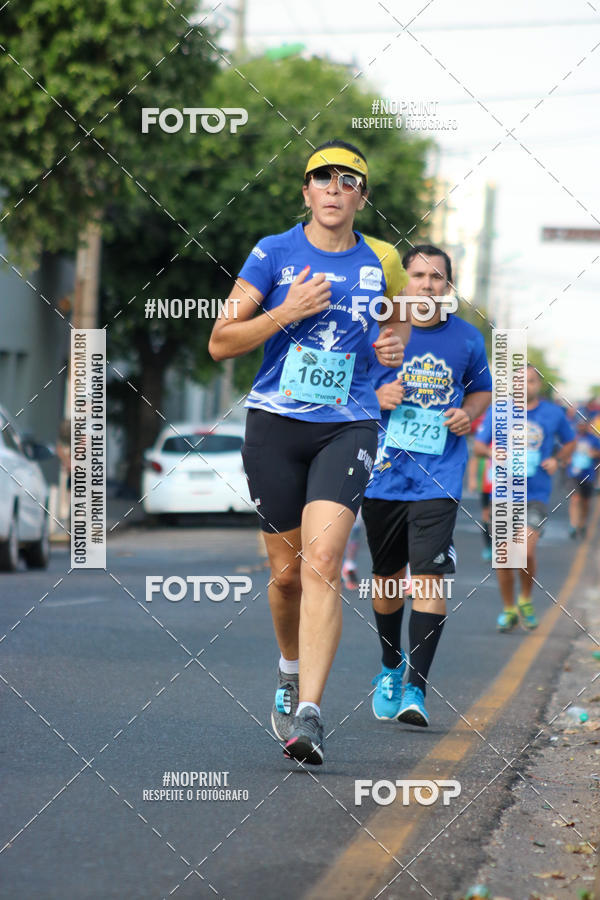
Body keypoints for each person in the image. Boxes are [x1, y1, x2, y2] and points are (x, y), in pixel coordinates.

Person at [208, 140, 410, 765]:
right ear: (306, 192)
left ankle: (311, 715)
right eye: (322, 178)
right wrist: (285, 311)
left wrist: (391, 349)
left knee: (324, 561)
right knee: (288, 574)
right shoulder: (272, 253)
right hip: (275, 424)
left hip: (347, 425)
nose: (334, 188)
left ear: (360, 197)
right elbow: (221, 341)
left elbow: (398, 321)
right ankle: (288, 666)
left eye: (348, 180)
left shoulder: (383, 260)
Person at [362, 245, 492, 727]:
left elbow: (481, 388)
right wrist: (377, 395)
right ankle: (390, 664)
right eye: (418, 275)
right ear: (405, 284)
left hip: (440, 476)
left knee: (430, 576)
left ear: (448, 289)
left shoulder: (467, 339)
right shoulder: (380, 332)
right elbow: (345, 389)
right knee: (388, 577)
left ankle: (417, 687)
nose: (427, 285)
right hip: (382, 475)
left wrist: (469, 413)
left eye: (437, 278)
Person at [474, 366, 575, 632]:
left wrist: (558, 459)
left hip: (535, 494)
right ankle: (509, 609)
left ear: (538, 385)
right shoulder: (498, 411)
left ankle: (526, 599)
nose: (525, 386)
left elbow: (570, 442)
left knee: (525, 550)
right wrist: (494, 454)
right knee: (505, 556)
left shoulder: (553, 413)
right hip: (503, 494)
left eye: (530, 381)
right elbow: (479, 445)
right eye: (519, 381)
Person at [567, 409, 600, 538]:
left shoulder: (594, 439)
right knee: (575, 499)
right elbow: (563, 451)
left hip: (589, 474)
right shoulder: (572, 438)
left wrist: (594, 454)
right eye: (580, 424)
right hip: (573, 473)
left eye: (584, 424)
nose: (582, 426)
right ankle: (573, 525)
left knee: (585, 502)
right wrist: (567, 458)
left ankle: (582, 523)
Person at [467, 415, 493, 561]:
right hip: (487, 480)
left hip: (507, 481)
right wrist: (472, 479)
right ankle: (489, 546)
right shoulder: (485, 435)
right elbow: (475, 458)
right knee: (487, 515)